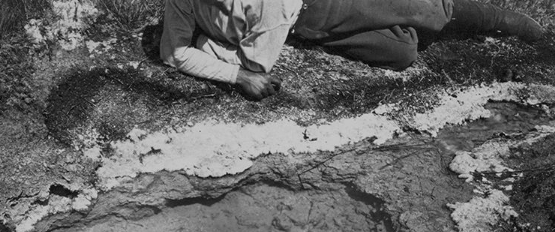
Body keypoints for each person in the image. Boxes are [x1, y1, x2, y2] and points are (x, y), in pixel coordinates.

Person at [160, 0, 545, 100]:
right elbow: (173, 54)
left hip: (325, 5)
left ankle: (517, 26)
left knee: (429, 11)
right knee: (401, 55)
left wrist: (205, 45)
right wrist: (237, 74)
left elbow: (257, 61)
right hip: (306, 25)